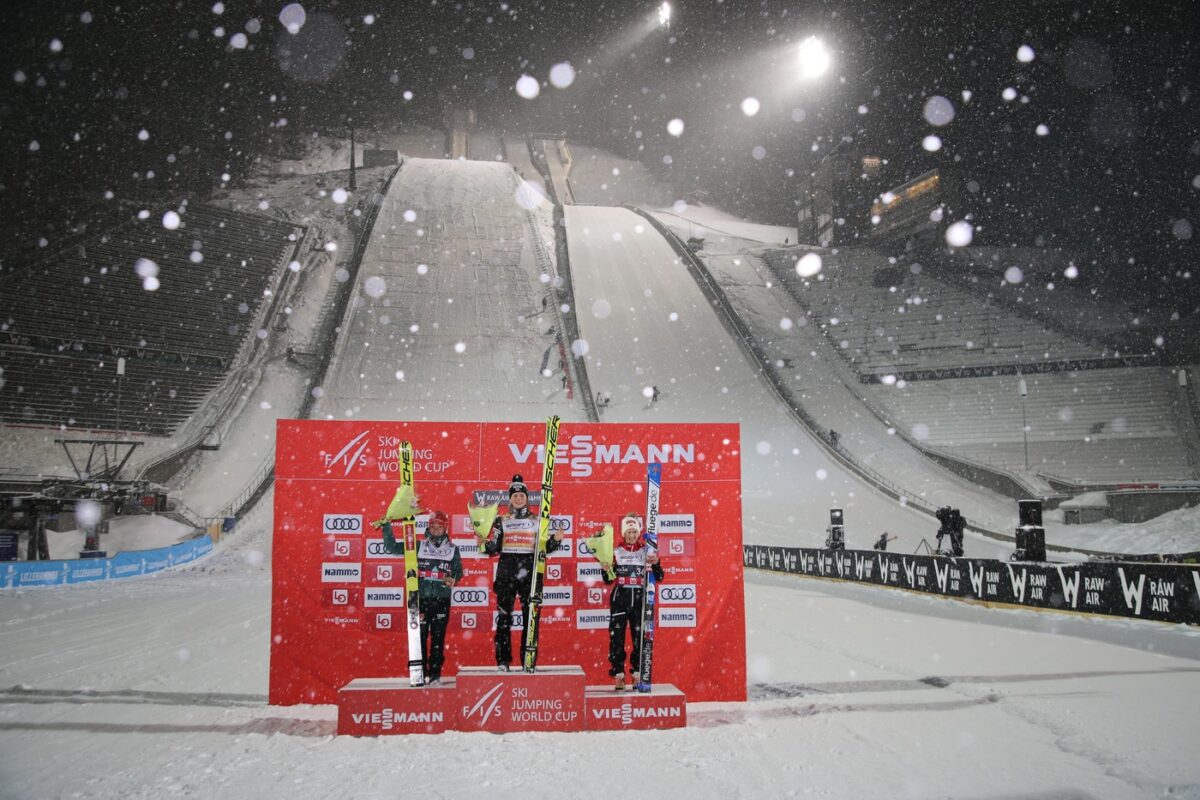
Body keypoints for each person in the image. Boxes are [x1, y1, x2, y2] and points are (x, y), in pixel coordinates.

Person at [377, 510, 463, 686]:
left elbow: (458, 570)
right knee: (419, 637)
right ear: (428, 527)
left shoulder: (453, 549)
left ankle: (435, 676)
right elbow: (392, 548)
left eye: (440, 527)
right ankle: (419, 674)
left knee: (438, 639)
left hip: (441, 600)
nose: (436, 530)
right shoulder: (417, 546)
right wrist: (386, 526)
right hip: (420, 599)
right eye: (433, 527)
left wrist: (453, 578)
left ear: (445, 528)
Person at [483, 475, 559, 671]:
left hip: (530, 574)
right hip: (506, 573)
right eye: (514, 495)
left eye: (521, 495)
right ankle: (503, 661)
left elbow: (544, 548)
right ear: (510, 499)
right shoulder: (502, 520)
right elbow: (494, 547)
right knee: (504, 618)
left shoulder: (538, 520)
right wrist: (482, 542)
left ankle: (528, 659)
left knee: (530, 618)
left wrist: (556, 540)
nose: (518, 499)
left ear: (526, 498)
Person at [601, 512, 664, 691]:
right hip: (620, 598)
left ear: (639, 533)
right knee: (617, 639)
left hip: (639, 599)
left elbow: (659, 576)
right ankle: (619, 676)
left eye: (635, 531)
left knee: (639, 639)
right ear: (623, 533)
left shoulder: (647, 551)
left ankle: (637, 675)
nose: (632, 535)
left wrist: (657, 563)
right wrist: (606, 568)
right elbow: (607, 580)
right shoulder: (615, 552)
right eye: (629, 531)